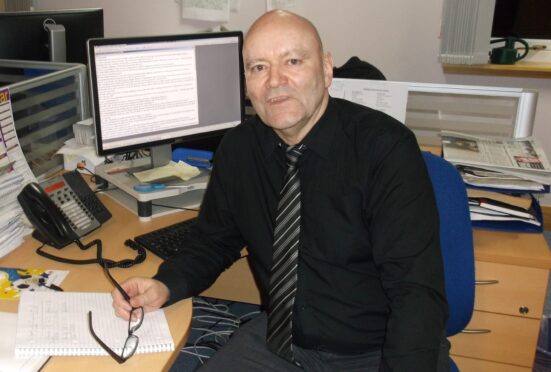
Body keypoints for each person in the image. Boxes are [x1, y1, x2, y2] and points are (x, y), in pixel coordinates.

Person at [112, 9, 449, 371]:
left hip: (372, 352)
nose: (275, 80)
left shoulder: (385, 149)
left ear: (326, 68)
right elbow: (214, 241)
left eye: (293, 61)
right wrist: (166, 285)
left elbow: (415, 295)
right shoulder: (239, 149)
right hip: (280, 342)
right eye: (258, 67)